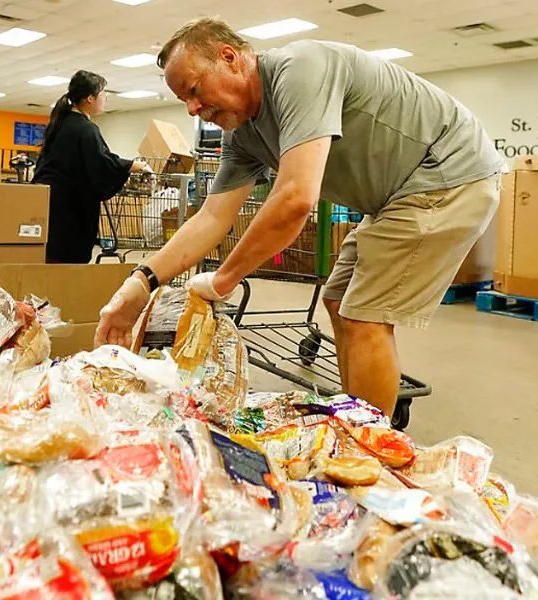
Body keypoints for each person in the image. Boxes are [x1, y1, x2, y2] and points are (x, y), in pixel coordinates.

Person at [95, 18, 503, 418]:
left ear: (230, 57)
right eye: (184, 99)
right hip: (395, 198)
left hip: (446, 175)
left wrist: (223, 280)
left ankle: (368, 454)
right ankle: (355, 420)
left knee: (364, 315)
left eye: (194, 90)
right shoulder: (243, 136)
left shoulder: (299, 70)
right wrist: (140, 283)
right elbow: (212, 217)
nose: (193, 109)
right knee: (338, 299)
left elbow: (295, 198)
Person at [31, 70, 151, 263]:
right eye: (103, 94)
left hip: (48, 203)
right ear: (89, 98)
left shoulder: (61, 123)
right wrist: (132, 165)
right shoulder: (85, 128)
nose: (105, 99)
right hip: (69, 209)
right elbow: (100, 163)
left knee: (49, 258)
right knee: (68, 261)